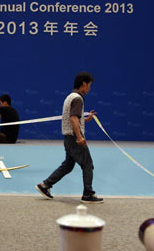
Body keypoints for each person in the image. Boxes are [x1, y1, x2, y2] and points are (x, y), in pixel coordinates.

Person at [36, 72, 103, 203]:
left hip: (68, 138)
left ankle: (45, 185)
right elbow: (73, 118)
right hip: (74, 138)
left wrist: (85, 119)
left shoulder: (70, 97)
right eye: (89, 85)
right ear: (84, 83)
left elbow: (74, 117)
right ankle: (88, 194)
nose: (89, 88)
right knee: (88, 164)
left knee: (68, 165)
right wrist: (79, 137)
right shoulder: (78, 98)